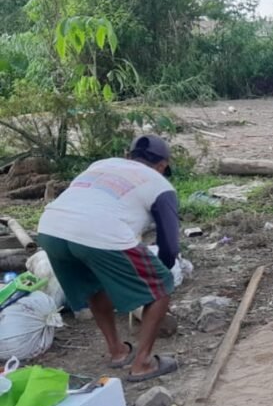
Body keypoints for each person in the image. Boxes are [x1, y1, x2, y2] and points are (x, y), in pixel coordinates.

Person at [36, 135, 180, 382]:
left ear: (128, 156)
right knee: (161, 285)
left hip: (50, 229)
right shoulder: (161, 185)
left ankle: (117, 351)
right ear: (163, 165)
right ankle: (143, 363)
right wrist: (156, 280)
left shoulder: (101, 165)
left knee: (93, 284)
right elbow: (170, 246)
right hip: (98, 231)